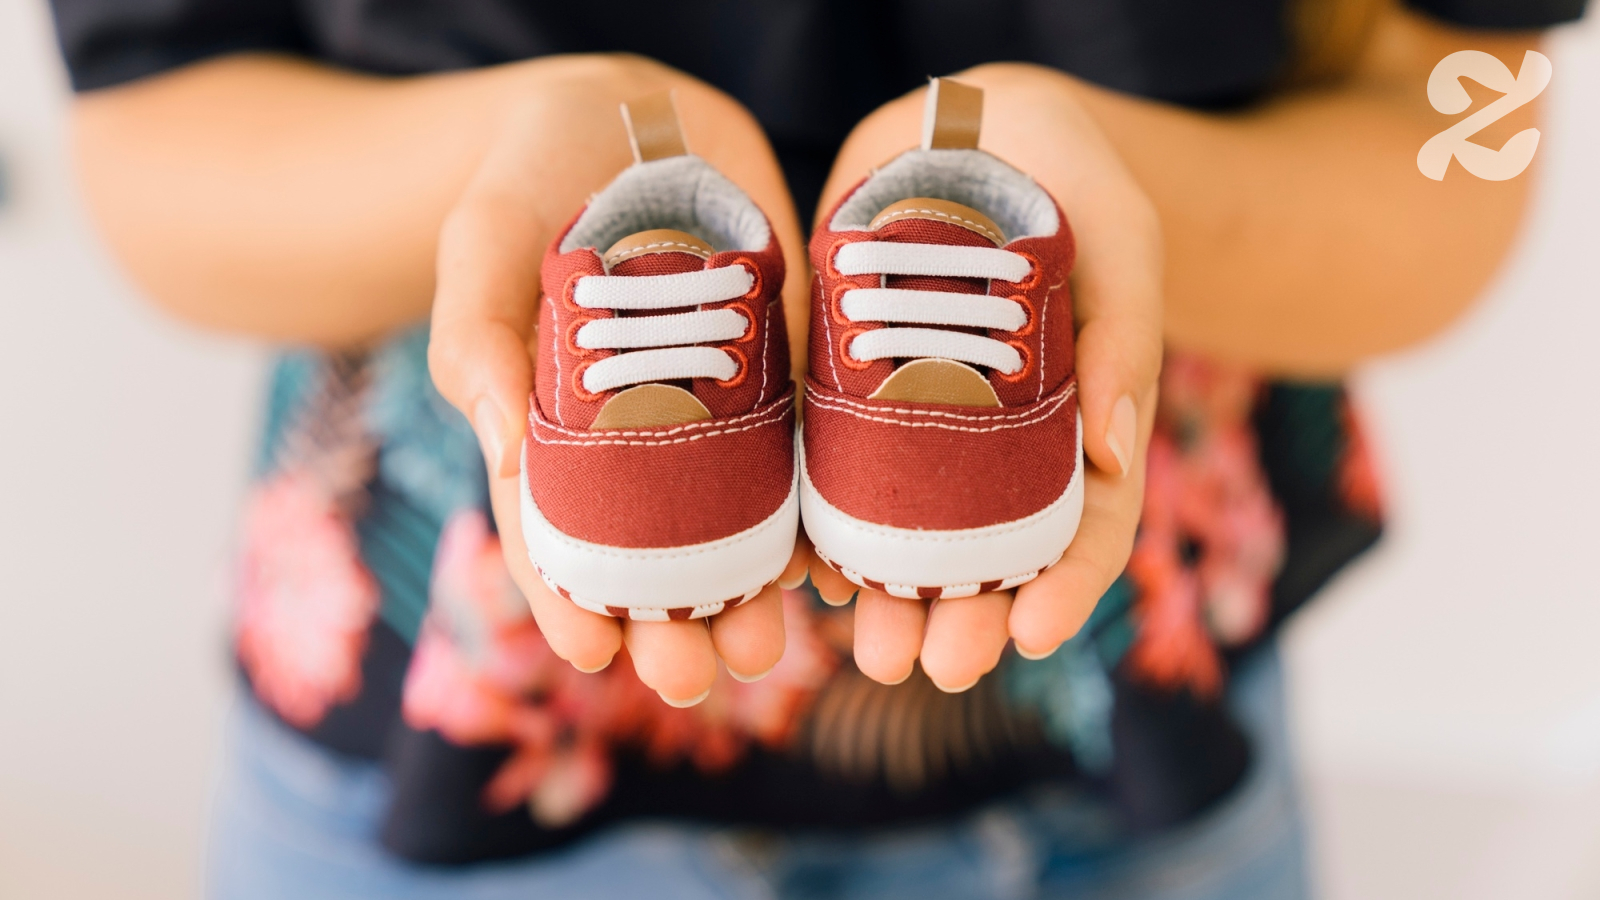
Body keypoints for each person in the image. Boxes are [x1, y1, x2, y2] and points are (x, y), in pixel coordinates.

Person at [49, 0, 1583, 896]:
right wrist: (525, 154)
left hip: (1135, 762)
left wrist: (1122, 180)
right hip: (428, 734)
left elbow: (1468, 128)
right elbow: (147, 123)